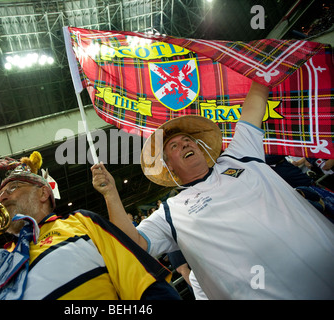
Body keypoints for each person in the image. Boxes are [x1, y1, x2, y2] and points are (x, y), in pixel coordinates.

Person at [92, 81, 334, 299]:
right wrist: (111, 195)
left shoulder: (239, 156)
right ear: (170, 167)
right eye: (174, 146)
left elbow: (253, 108)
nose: (185, 143)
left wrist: (262, 75)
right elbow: (132, 242)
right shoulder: (171, 211)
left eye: (188, 139)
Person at [0, 151, 180, 300]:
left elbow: (151, 288)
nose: (1, 195)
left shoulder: (81, 223)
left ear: (43, 194)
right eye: (0, 190)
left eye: (13, 187)